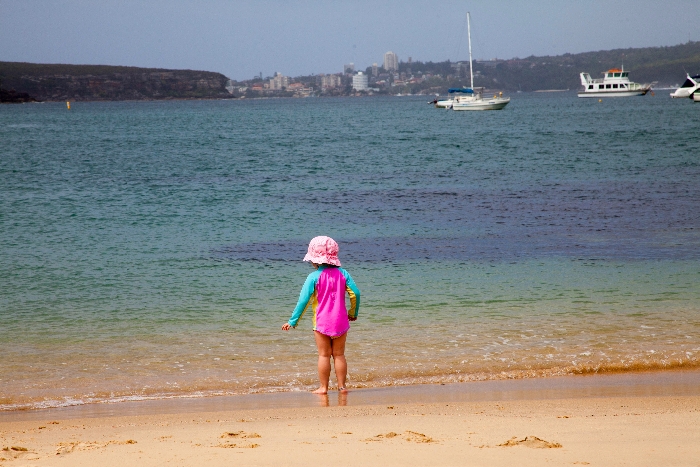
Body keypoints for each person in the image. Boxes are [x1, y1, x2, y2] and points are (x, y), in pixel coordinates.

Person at [282, 236, 360, 394]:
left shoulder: (313, 277)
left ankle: (323, 388)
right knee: (339, 355)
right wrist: (353, 312)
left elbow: (303, 301)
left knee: (324, 355)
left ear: (314, 259)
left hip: (321, 322)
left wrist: (293, 321)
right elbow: (355, 294)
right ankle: (342, 386)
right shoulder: (343, 274)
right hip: (341, 321)